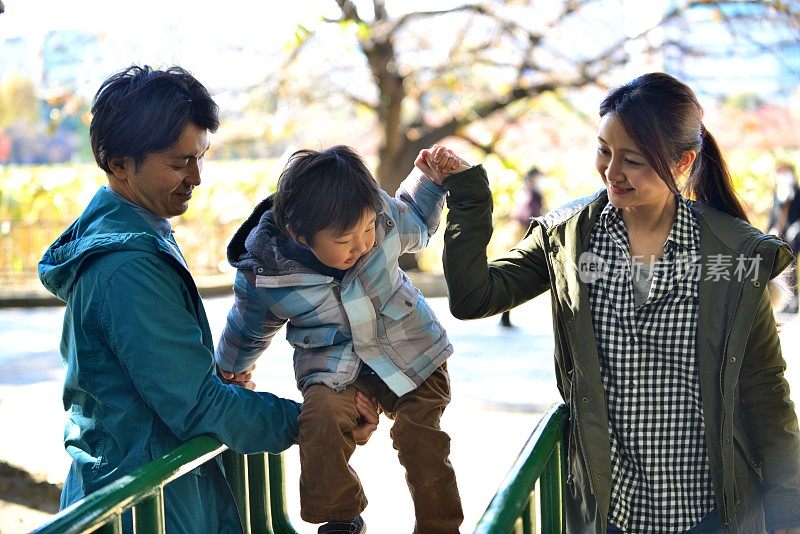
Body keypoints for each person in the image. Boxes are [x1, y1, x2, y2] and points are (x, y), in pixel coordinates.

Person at [420, 72, 800, 533]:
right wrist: (467, 197)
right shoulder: (568, 238)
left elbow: (765, 388)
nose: (612, 171)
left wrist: (788, 509)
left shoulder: (733, 254)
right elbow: (474, 296)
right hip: (611, 512)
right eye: (604, 149)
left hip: (712, 511)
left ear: (683, 161)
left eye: (633, 159)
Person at [37, 65, 377, 534]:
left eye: (201, 157)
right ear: (118, 164)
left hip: (158, 494)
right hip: (146, 508)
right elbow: (197, 405)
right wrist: (314, 423)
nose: (196, 176)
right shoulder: (127, 267)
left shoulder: (138, 235)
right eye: (179, 163)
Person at [215, 145, 463, 534]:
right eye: (345, 239)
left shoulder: (380, 216)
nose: (362, 244)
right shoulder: (269, 275)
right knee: (319, 419)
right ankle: (341, 516)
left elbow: (416, 218)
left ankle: (440, 526)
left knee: (421, 436)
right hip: (336, 368)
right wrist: (230, 368)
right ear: (300, 235)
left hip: (412, 351)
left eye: (367, 229)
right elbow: (248, 327)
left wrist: (431, 180)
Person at [501, 166, 546, 327]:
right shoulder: (530, 193)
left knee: (512, 277)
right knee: (513, 277)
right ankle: (505, 316)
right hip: (522, 236)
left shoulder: (529, 192)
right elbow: (527, 214)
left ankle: (505, 315)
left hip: (521, 235)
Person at [768, 162, 800, 313]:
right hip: (779, 235)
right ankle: (781, 301)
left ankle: (793, 300)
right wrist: (770, 230)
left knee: (791, 265)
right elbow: (773, 215)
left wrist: (795, 228)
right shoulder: (777, 192)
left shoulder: (797, 193)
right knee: (778, 267)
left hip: (794, 237)